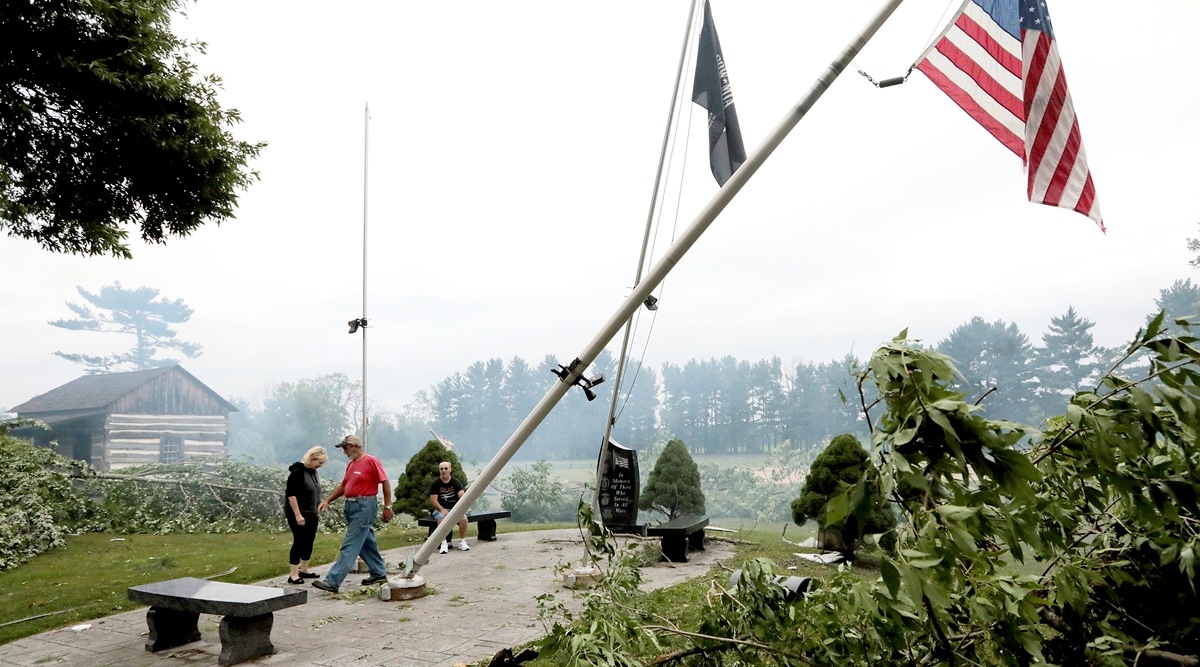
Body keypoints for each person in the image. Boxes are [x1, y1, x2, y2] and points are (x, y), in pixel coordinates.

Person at [311, 434, 394, 593]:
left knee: (351, 543)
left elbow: (385, 482)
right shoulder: (351, 464)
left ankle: (333, 581)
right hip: (351, 506)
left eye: (345, 448)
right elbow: (344, 485)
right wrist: (328, 500)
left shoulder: (371, 461)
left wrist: (387, 506)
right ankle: (379, 573)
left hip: (365, 506)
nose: (344, 452)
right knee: (365, 540)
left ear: (356, 446)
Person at [284, 446, 328, 584]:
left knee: (309, 540)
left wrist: (319, 505)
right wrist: (297, 514)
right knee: (299, 541)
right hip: (299, 513)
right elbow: (291, 495)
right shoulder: (297, 472)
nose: (320, 466)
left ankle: (304, 569)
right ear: (312, 458)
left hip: (312, 513)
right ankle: (293, 574)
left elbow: (314, 491)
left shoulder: (313, 472)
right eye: (319, 463)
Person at [428, 461, 470, 554]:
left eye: (446, 468)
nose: (444, 470)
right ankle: (444, 543)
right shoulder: (435, 484)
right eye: (441, 469)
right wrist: (442, 509)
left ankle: (462, 541)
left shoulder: (456, 483)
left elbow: (462, 498)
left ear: (450, 470)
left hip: (455, 509)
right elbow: (434, 500)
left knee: (463, 519)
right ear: (439, 471)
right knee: (442, 520)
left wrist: (457, 510)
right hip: (441, 509)